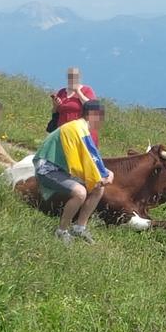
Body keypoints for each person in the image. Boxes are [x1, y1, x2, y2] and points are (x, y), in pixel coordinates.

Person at [33, 100, 114, 244]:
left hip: (59, 168)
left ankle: (79, 228)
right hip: (47, 168)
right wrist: (104, 174)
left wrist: (105, 173)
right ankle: (61, 231)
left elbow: (89, 157)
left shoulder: (80, 128)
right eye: (101, 116)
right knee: (80, 193)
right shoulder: (77, 129)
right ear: (92, 115)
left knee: (98, 188)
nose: (102, 121)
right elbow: (90, 155)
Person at [51, 67, 98, 145]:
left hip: (79, 131)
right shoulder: (62, 92)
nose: (73, 79)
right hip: (62, 130)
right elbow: (55, 112)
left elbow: (91, 106)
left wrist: (78, 92)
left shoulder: (87, 90)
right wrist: (55, 105)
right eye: (70, 76)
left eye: (75, 76)